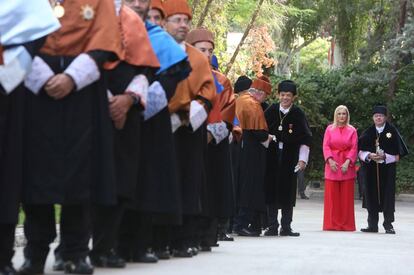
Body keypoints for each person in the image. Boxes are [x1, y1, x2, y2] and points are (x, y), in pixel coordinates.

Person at [20, 1, 123, 274]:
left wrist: (72, 78)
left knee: (82, 173)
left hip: (84, 89)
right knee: (35, 172)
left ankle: (75, 252)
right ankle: (35, 252)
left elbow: (105, 41)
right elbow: (16, 38)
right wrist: (41, 76)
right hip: (36, 87)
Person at [88, 2, 160, 269]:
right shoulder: (91, 10)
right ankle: (74, 248)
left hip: (128, 114)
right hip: (92, 105)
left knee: (122, 179)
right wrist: (106, 100)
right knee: (91, 179)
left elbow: (146, 70)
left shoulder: (133, 22)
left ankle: (107, 246)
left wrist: (127, 100)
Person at [119, 0, 191, 263]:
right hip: (114, 115)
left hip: (149, 121)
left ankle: (139, 244)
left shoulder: (160, 41)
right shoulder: (109, 29)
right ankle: (106, 243)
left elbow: (169, 82)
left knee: (147, 182)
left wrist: (136, 107)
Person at [0, 2, 60, 274]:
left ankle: (2, 256)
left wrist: (8, 74)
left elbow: (36, 38)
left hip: (11, 93)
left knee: (7, 175)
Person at [163, 0, 216, 257]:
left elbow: (208, 88)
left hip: (191, 126)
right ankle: (160, 237)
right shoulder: (155, 49)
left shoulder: (197, 58)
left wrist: (193, 110)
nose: (182, 24)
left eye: (186, 20)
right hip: (162, 124)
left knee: (190, 181)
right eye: (177, 19)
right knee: (163, 180)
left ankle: (186, 238)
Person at [186, 27, 236, 247]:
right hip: (187, 139)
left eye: (210, 50)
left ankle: (208, 235)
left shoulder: (222, 81)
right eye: (201, 49)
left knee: (212, 190)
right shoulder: (182, 73)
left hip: (212, 142)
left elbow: (227, 111)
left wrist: (209, 134)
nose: (206, 54)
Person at [264, 80, 312, 237]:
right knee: (271, 190)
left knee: (288, 190)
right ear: (278, 95)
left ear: (294, 97)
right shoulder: (271, 111)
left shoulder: (298, 114)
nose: (285, 98)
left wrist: (302, 159)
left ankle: (286, 226)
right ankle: (272, 225)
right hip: (271, 156)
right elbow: (260, 131)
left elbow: (306, 138)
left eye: (288, 95)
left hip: (290, 157)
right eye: (282, 95)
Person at [358, 104, 408, 234]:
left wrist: (385, 156)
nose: (378, 118)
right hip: (370, 170)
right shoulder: (367, 132)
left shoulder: (392, 131)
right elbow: (359, 152)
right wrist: (369, 155)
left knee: (388, 197)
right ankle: (372, 225)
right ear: (373, 118)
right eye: (376, 116)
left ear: (385, 117)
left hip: (387, 171)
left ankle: (388, 225)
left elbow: (400, 154)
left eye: (381, 116)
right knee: (370, 196)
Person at [233, 76, 273, 237]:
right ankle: (241, 224)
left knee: (240, 184)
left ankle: (234, 223)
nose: (264, 100)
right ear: (260, 92)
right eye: (265, 96)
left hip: (239, 146)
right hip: (251, 151)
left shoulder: (240, 100)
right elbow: (259, 132)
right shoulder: (252, 104)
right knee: (250, 186)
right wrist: (268, 137)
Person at [322, 105, 357, 231]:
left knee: (346, 198)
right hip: (332, 164)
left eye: (344, 114)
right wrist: (330, 160)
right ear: (335, 115)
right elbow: (326, 146)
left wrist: (348, 162)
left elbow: (354, 148)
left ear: (347, 116)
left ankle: (346, 225)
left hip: (347, 165)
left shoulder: (352, 130)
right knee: (332, 197)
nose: (342, 116)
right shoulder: (329, 129)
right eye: (339, 114)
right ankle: (332, 224)